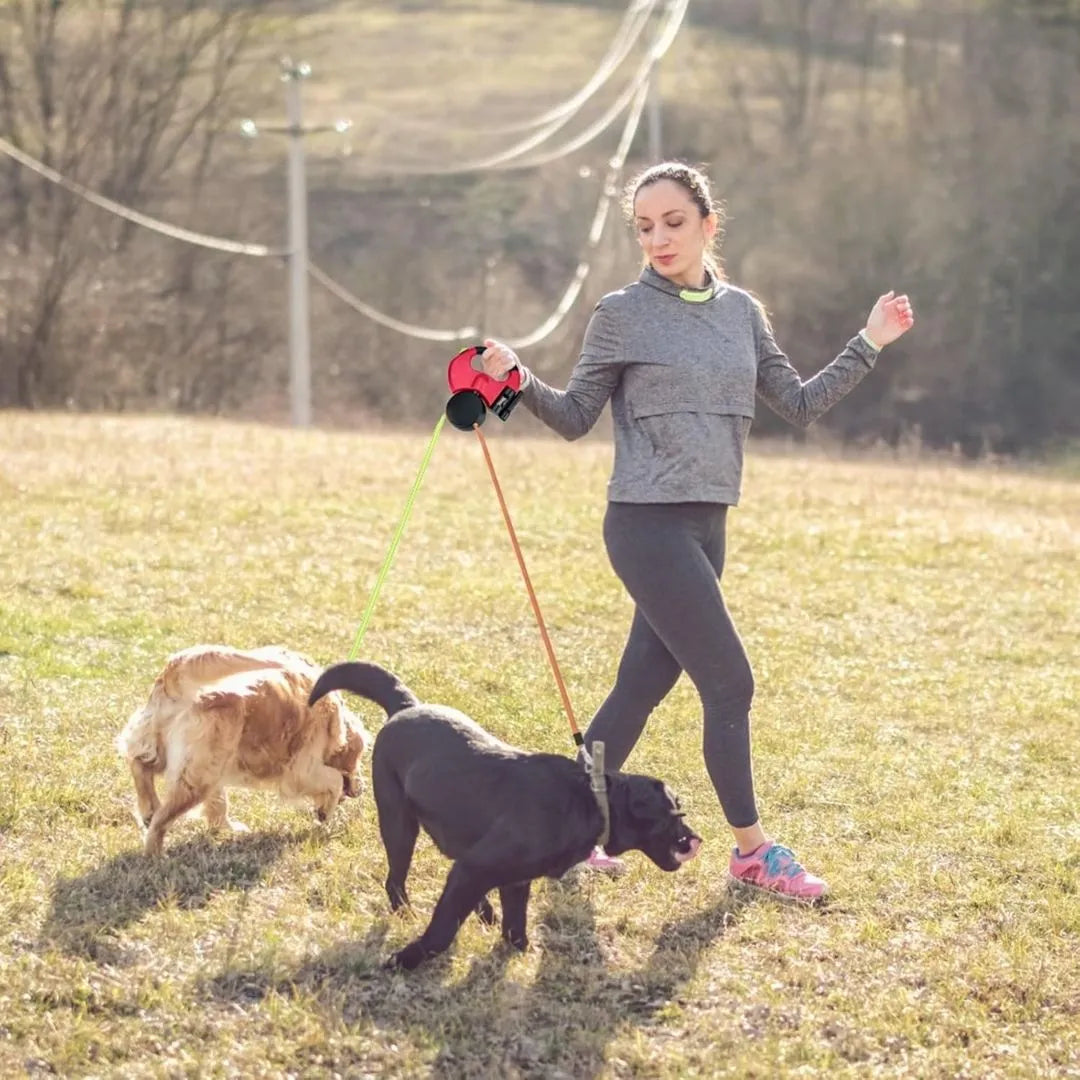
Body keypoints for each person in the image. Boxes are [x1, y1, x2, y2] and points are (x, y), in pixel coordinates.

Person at [479, 161, 914, 902]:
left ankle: (563, 831)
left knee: (642, 685)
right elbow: (578, 416)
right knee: (730, 682)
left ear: (710, 225)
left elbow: (799, 404)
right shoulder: (621, 312)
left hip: (709, 528)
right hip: (646, 527)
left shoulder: (742, 312)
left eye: (674, 223)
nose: (658, 238)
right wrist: (517, 377)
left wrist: (868, 342)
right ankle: (752, 852)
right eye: (644, 227)